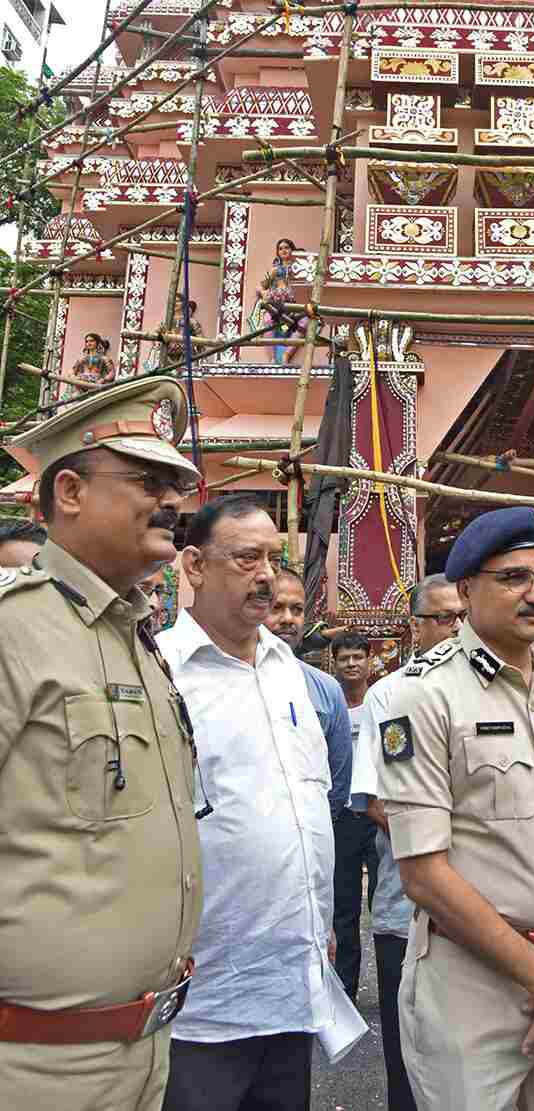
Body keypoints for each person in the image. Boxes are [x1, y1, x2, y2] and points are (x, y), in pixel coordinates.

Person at [379, 506, 534, 1111]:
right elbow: (423, 872)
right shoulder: (421, 693)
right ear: (466, 590)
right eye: (514, 577)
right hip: (472, 985)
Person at [0, 377, 204, 1111]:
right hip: (34, 1065)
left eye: (176, 481)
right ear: (71, 492)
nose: (172, 499)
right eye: (147, 479)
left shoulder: (137, 639)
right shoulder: (15, 627)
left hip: (144, 1052)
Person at [157, 495, 334, 1111]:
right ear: (195, 566)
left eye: (273, 558)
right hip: (201, 994)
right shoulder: (161, 673)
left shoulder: (287, 668)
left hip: (291, 981)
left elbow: (307, 804)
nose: (266, 574)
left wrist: (321, 920)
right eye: (245, 558)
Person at [351, 573, 465, 1111]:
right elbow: (372, 800)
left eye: (461, 617)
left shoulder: (496, 688)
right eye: (442, 618)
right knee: (410, 1057)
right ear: (414, 627)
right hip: (409, 908)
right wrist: (451, 843)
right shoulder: (388, 696)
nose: (454, 630)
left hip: (496, 907)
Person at [264, 566, 353, 821]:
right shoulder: (234, 681)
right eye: (276, 607)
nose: (288, 618)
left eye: (297, 610)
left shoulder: (326, 690)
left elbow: (338, 779)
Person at [330, 629, 380, 1000]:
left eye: (357, 657)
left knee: (386, 906)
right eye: (344, 658)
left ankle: (392, 985)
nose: (351, 664)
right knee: (344, 908)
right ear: (334, 663)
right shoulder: (331, 705)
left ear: (369, 661)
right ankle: (345, 991)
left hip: (377, 814)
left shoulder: (381, 701)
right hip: (343, 817)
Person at [251, 238, 307, 365]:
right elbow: (261, 286)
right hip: (276, 305)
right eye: (280, 249)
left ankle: (287, 354)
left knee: (304, 322)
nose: (283, 251)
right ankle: (272, 358)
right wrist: (263, 292)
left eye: (286, 248)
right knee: (267, 321)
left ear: (292, 250)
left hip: (293, 305)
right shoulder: (275, 270)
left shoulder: (299, 268)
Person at [64, 332, 116, 399]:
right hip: (81, 383)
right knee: (74, 396)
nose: (89, 343)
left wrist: (103, 380)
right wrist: (73, 376)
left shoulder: (104, 358)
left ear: (97, 342)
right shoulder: (82, 359)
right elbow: (72, 370)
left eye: (91, 341)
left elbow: (112, 373)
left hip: (96, 383)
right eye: (87, 341)